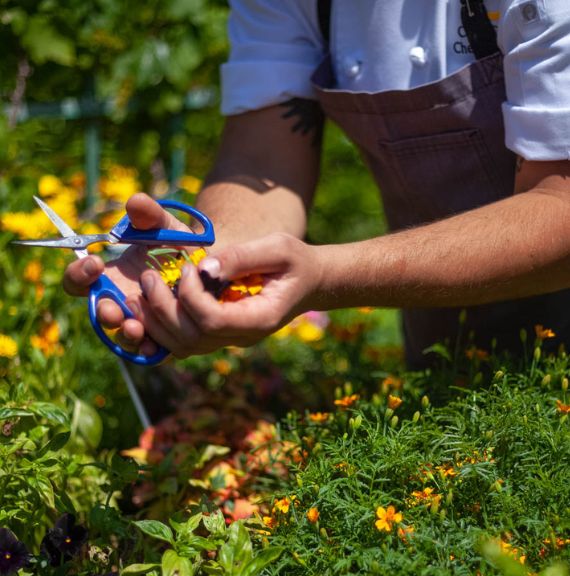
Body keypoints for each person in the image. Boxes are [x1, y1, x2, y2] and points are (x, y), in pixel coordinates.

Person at [64, 0, 570, 369]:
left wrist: (326, 275)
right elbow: (262, 164)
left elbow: (561, 205)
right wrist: (199, 265)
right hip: (444, 371)